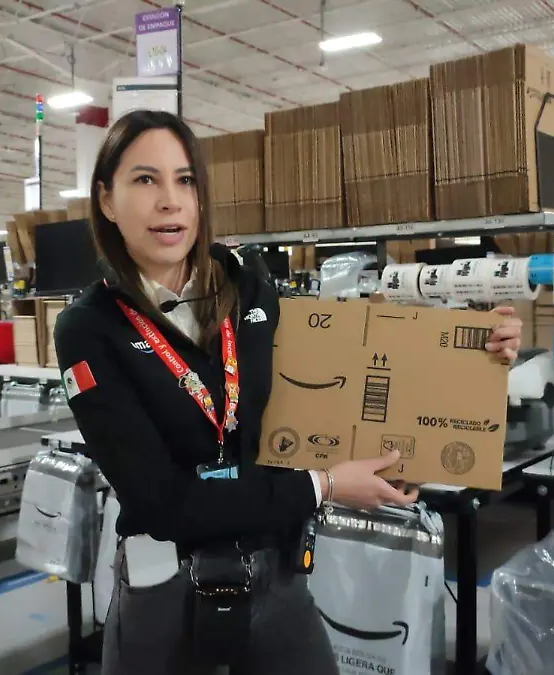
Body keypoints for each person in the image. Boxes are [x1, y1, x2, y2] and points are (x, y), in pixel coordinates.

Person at [53, 109, 523, 675]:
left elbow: (336, 390)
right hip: (166, 589)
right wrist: (323, 486)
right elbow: (162, 503)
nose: (169, 201)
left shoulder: (247, 285)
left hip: (275, 573)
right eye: (144, 179)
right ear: (106, 200)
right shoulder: (90, 327)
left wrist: (474, 355)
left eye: (185, 180)